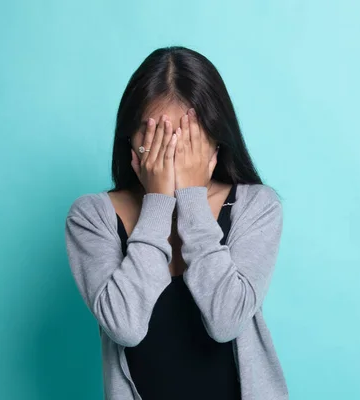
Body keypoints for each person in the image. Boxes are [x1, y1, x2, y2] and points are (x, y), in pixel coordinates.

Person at [64, 46, 289, 400]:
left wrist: (192, 201)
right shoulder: (92, 216)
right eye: (155, 136)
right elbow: (125, 326)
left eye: (184, 139)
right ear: (130, 139)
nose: (168, 153)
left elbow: (226, 320)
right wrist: (158, 203)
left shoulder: (256, 207)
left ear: (214, 140)